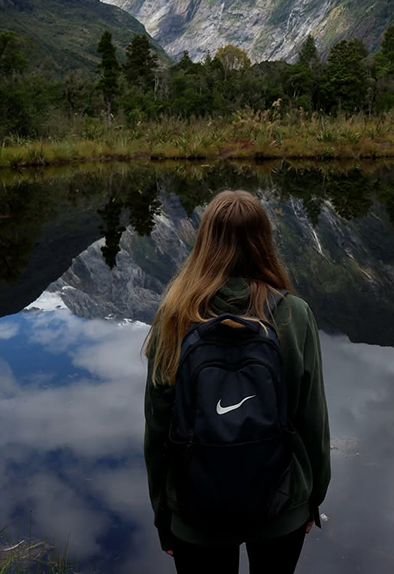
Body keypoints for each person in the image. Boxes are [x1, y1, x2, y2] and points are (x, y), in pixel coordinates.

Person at [143, 189, 331, 574]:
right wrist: (311, 498)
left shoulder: (173, 319)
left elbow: (158, 432)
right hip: (282, 505)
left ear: (204, 241)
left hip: (196, 514)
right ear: (264, 241)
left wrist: (166, 517)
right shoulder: (294, 315)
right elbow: (313, 421)